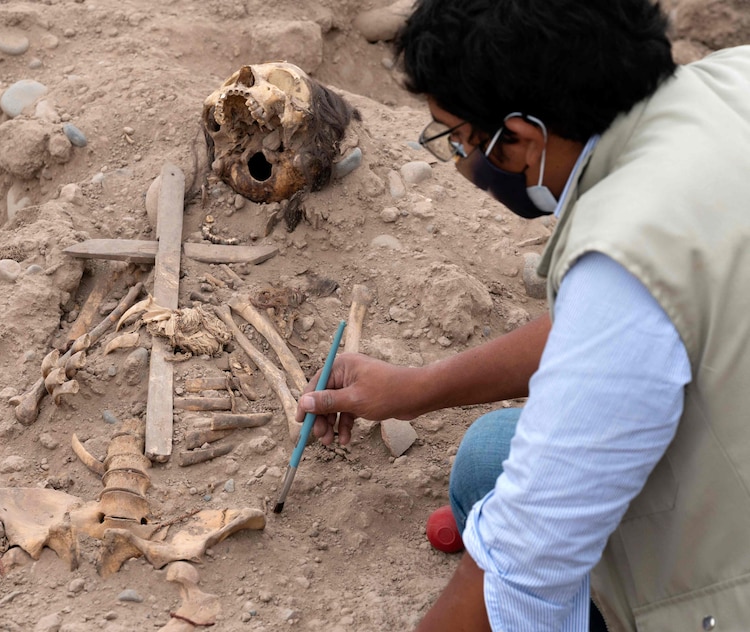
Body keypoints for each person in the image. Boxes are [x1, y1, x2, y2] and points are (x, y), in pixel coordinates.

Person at [294, 1, 750, 630]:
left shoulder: (627, 250)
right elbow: (612, 331)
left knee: (517, 540)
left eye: (457, 138)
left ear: (524, 137)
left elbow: (520, 566)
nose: (458, 160)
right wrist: (418, 388)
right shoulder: (731, 81)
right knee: (488, 459)